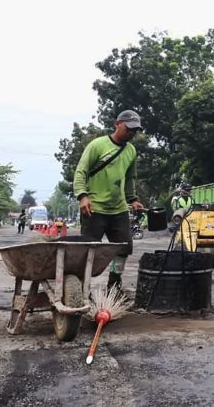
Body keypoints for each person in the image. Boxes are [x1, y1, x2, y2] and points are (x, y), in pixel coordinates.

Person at [73, 109, 145, 291]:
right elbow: (81, 171)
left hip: (118, 209)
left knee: (124, 247)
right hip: (94, 209)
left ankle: (114, 284)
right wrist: (82, 196)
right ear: (117, 123)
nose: (131, 133)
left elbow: (129, 179)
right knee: (88, 251)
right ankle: (83, 289)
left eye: (135, 130)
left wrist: (133, 199)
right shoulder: (98, 145)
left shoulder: (131, 151)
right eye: (128, 128)